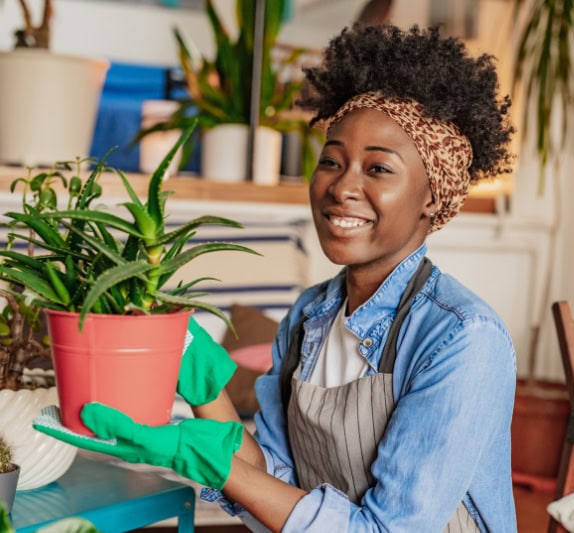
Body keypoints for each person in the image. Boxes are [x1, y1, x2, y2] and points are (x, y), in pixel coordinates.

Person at [36, 24, 517, 532]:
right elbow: (276, 478)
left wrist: (218, 468)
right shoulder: (311, 316)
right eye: (331, 160)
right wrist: (203, 391)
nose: (342, 186)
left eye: (378, 169)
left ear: (431, 198)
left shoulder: (462, 340)